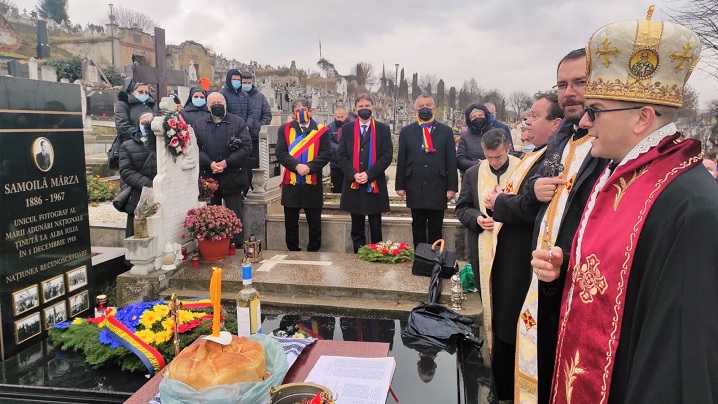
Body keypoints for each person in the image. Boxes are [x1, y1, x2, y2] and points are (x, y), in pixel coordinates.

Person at [532, 14, 718, 403]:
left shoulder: (692, 206)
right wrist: (564, 272)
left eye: (595, 110)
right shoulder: (619, 177)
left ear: (641, 118)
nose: (585, 121)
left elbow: (678, 362)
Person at [514, 47, 610, 404]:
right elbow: (528, 201)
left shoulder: (608, 147)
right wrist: (534, 194)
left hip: (579, 282)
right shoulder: (561, 140)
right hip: (545, 276)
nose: (569, 92)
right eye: (562, 85)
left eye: (580, 82)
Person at [480, 93, 563, 401]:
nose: (527, 121)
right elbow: (520, 196)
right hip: (508, 258)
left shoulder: (553, 157)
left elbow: (530, 208)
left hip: (523, 262)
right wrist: (498, 201)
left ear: (556, 124)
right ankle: (500, 389)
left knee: (514, 332)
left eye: (535, 116)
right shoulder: (534, 154)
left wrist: (500, 201)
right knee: (503, 328)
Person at [455, 129, 520, 342]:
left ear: (508, 148)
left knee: (511, 300)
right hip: (482, 246)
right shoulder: (473, 173)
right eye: (489, 157)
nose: (494, 162)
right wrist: (477, 219)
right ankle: (489, 344)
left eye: (499, 157)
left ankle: (510, 342)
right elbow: (462, 207)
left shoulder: (522, 169)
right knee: (488, 299)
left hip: (514, 247)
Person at [395, 94, 458, 247]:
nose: (424, 109)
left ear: (434, 109)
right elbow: (401, 158)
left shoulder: (445, 131)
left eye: (428, 106)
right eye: (421, 106)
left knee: (436, 228)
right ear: (415, 109)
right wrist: (399, 185)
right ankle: (420, 258)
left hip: (438, 185)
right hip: (415, 184)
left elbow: (450, 159)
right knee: (417, 225)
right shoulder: (407, 131)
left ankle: (435, 260)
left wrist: (452, 187)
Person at [193, 92, 252, 245]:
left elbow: (246, 147)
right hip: (210, 178)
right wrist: (209, 163)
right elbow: (195, 148)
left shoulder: (238, 123)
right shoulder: (199, 124)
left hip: (233, 177)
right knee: (212, 218)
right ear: (208, 106)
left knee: (235, 217)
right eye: (214, 103)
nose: (217, 105)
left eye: (220, 102)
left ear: (225, 104)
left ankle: (237, 247)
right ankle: (215, 246)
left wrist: (227, 162)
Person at [336, 95, 393, 253]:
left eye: (367, 105)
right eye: (360, 106)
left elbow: (386, 156)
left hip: (373, 184)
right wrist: (354, 174)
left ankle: (376, 254)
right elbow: (341, 156)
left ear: (372, 107)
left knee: (375, 226)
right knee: (357, 226)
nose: (364, 109)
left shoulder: (382, 129)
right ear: (355, 110)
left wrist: (369, 174)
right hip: (354, 183)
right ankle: (358, 256)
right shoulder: (347, 129)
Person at [276, 98, 331, 251]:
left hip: (312, 183)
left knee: (314, 224)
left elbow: (326, 154)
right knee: (291, 224)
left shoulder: (321, 131)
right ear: (293, 114)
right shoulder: (285, 129)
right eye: (297, 111)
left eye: (304, 109)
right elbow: (280, 153)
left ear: (310, 111)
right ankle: (293, 251)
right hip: (291, 183)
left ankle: (313, 252)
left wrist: (309, 167)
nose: (301, 113)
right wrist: (297, 166)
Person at [118, 112, 157, 237]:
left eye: (149, 123)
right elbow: (126, 171)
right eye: (142, 123)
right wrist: (150, 184)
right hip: (138, 197)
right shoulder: (127, 146)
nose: (146, 125)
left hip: (160, 195)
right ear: (137, 125)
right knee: (137, 236)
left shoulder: (162, 144)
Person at [242, 73, 273, 195]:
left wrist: (259, 126)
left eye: (248, 83)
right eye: (244, 83)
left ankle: (254, 188)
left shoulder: (260, 97)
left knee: (253, 165)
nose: (246, 85)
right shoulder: (238, 97)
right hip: (240, 138)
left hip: (254, 138)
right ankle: (243, 191)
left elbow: (267, 115)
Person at [456, 102, 492, 175]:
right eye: (474, 116)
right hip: (471, 177)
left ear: (486, 116)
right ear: (470, 120)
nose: (477, 118)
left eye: (480, 115)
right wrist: (477, 164)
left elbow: (506, 154)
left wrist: (488, 163)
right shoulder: (464, 137)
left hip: (492, 177)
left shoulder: (496, 134)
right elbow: (460, 160)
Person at [328, 106, 351, 193]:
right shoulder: (330, 127)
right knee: (337, 188)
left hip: (349, 163)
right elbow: (329, 142)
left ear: (346, 116)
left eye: (342, 117)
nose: (340, 119)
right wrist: (342, 149)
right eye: (338, 117)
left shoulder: (351, 126)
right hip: (335, 163)